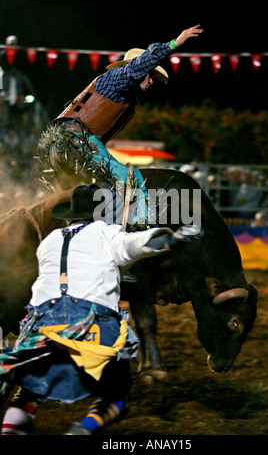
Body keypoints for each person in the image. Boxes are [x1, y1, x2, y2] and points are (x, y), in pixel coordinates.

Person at [0, 184, 199, 435]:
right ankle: (81, 431)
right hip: (90, 323)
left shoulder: (49, 241)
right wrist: (172, 238)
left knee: (28, 395)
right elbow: (138, 244)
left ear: (69, 215)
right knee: (116, 397)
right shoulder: (107, 232)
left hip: (43, 323)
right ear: (99, 214)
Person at [38, 25, 203, 226]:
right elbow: (141, 63)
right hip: (76, 139)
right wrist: (175, 43)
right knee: (127, 177)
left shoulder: (120, 91)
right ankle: (141, 224)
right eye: (150, 75)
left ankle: (64, 224)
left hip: (61, 142)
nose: (151, 81)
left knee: (85, 189)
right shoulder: (119, 77)